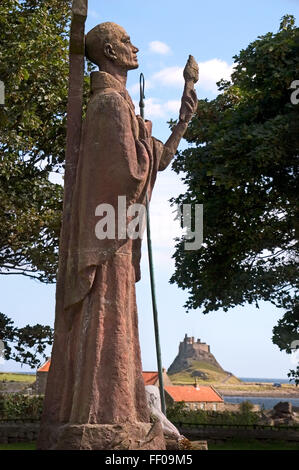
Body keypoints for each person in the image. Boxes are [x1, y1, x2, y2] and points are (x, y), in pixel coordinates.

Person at [38, 22, 197, 450]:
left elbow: (154, 160)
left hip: (117, 236)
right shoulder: (108, 103)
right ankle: (105, 414)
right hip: (107, 240)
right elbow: (128, 172)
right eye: (127, 42)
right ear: (109, 50)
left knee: (120, 324)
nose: (135, 47)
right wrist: (144, 143)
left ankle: (123, 412)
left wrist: (180, 122)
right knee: (108, 323)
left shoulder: (117, 104)